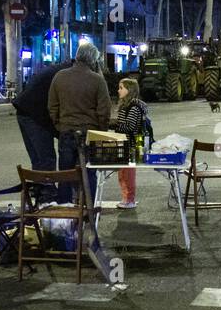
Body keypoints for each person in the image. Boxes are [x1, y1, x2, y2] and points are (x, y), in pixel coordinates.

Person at [47, 41, 112, 203]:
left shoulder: (60, 77)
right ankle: (88, 207)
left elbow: (52, 107)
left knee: (65, 174)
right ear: (93, 60)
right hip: (89, 134)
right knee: (89, 173)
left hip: (67, 132)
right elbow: (104, 111)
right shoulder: (97, 80)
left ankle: (65, 211)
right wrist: (101, 132)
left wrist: (60, 126)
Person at [12, 61, 68, 201]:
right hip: (34, 113)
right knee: (46, 157)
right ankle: (46, 195)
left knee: (38, 158)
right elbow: (57, 108)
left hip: (24, 110)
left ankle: (40, 191)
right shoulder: (66, 75)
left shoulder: (60, 70)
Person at [112, 78, 147, 209]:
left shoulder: (133, 107)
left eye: (121, 88)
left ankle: (129, 199)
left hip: (131, 145)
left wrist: (114, 125)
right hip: (126, 144)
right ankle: (126, 198)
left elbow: (131, 126)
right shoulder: (127, 106)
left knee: (127, 174)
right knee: (123, 173)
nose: (118, 90)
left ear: (129, 90)